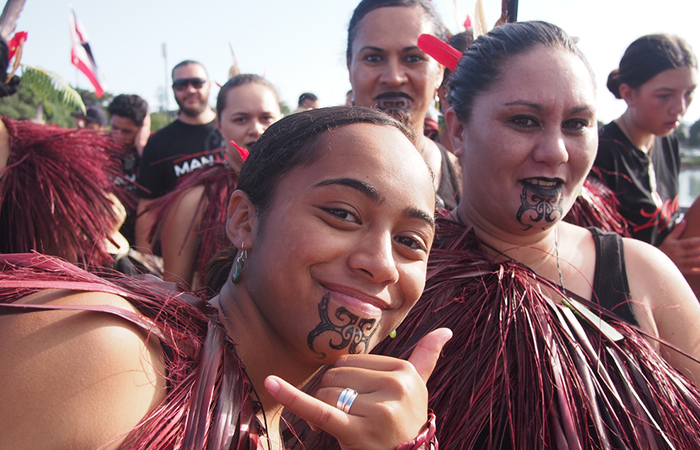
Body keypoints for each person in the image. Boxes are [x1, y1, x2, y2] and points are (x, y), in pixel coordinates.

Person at [0, 106, 451, 449]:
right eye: (342, 214)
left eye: (411, 242)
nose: (383, 264)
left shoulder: (290, 426)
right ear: (243, 221)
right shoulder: (108, 353)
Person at [369, 21, 700, 449]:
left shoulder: (642, 271)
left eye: (578, 124)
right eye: (524, 121)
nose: (556, 151)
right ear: (457, 130)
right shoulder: (391, 270)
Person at [151, 74, 283, 290]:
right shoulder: (193, 200)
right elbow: (175, 292)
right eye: (241, 119)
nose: (256, 129)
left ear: (282, 118)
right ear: (219, 125)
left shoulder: (303, 186)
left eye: (266, 118)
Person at [592, 34, 699, 274]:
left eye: (688, 93)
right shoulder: (601, 156)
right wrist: (660, 256)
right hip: (630, 290)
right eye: (664, 96)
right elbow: (588, 256)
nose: (680, 108)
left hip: (674, 275)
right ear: (628, 94)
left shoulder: (668, 142)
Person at [346, 0, 461, 211]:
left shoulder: (468, 181)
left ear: (439, 71)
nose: (394, 78)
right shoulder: (306, 169)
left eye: (413, 58)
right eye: (373, 58)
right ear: (349, 65)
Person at [135, 60, 225, 251]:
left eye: (197, 83)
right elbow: (147, 208)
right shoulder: (160, 142)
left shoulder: (231, 129)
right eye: (181, 85)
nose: (190, 90)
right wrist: (144, 262)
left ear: (209, 84)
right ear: (173, 89)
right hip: (183, 251)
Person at [107, 93, 151, 245]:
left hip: (142, 243)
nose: (118, 136)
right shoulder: (99, 152)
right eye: (114, 128)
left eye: (127, 132)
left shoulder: (151, 151)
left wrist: (141, 147)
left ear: (141, 128)